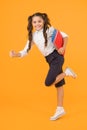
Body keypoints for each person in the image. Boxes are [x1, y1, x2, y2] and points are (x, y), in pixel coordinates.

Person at [10, 12, 77, 121]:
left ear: (44, 21)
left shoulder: (49, 30)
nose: (37, 24)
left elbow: (65, 36)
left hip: (56, 57)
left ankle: (67, 72)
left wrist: (63, 47)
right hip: (50, 60)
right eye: (34, 22)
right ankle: (60, 109)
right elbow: (25, 51)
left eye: (39, 21)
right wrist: (16, 54)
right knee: (59, 85)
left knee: (48, 82)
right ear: (31, 23)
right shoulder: (33, 36)